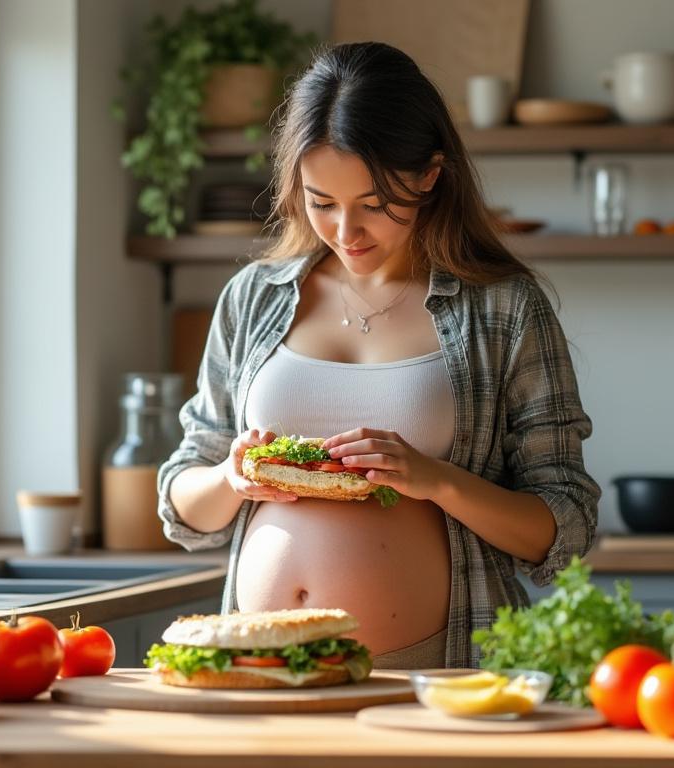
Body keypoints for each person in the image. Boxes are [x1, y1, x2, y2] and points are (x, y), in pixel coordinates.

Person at [157, 41, 599, 669]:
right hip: (260, 670)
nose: (345, 232)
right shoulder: (252, 299)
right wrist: (232, 478)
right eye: (321, 202)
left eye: (374, 204)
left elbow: (567, 523)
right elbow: (181, 501)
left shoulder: (504, 308)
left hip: (431, 673)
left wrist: (436, 480)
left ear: (429, 175)